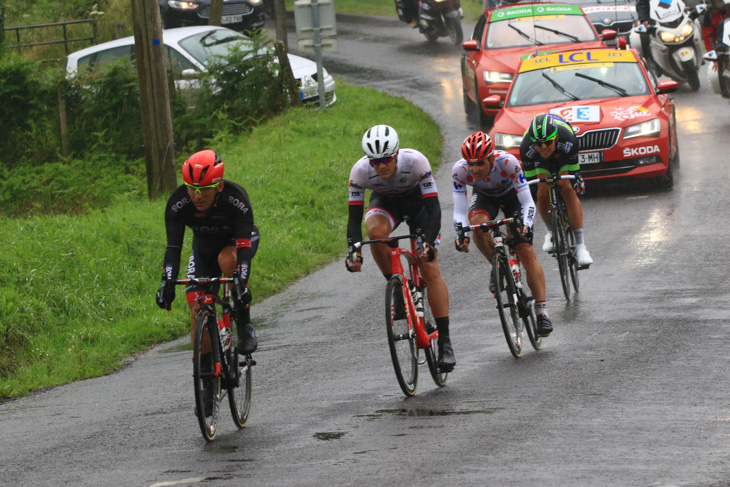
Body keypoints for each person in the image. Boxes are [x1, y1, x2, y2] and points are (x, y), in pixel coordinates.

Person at [345, 124, 456, 372]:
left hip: (419, 206)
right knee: (375, 233)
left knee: (428, 266)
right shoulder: (360, 171)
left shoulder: (416, 161)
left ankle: (446, 342)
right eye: (375, 162)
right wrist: (354, 251)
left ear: (396, 154)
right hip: (386, 203)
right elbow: (353, 219)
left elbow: (434, 209)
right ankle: (395, 284)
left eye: (386, 159)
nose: (381, 165)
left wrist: (428, 242)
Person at [156, 149, 260, 360]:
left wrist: (242, 280)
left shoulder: (235, 198)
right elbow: (173, 248)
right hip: (203, 247)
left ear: (219, 186)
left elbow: (243, 249)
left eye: (204, 189)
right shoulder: (178, 202)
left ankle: (243, 322)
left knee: (227, 259)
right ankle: (206, 375)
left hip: (237, 244)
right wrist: (167, 282)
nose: (197, 196)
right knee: (197, 309)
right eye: (192, 189)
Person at [453, 131, 553, 337]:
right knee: (477, 225)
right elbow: (459, 211)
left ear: (491, 158)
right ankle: (496, 263)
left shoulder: (508, 163)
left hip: (513, 198)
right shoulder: (460, 171)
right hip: (485, 198)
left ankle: (542, 312)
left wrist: (526, 224)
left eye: (480, 163)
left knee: (525, 250)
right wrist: (460, 233)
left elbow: (527, 202)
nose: (474, 169)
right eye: (470, 164)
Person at [519, 113, 593, 267]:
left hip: (563, 155)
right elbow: (530, 185)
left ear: (556, 138)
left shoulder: (568, 139)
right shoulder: (527, 147)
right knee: (541, 190)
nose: (544, 147)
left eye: (548, 142)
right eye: (539, 144)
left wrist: (578, 183)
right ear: (534, 143)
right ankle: (550, 232)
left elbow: (575, 175)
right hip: (539, 161)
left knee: (566, 187)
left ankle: (580, 246)